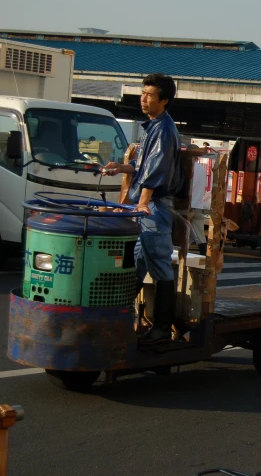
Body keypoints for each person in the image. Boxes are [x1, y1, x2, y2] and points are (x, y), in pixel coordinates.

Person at [104, 73, 182, 346]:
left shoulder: (163, 129)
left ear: (164, 100)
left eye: (150, 95)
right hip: (147, 207)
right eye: (143, 93)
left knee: (160, 266)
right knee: (136, 264)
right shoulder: (153, 126)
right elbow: (141, 168)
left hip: (153, 208)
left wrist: (141, 203)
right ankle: (119, 320)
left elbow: (155, 171)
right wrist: (120, 167)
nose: (144, 98)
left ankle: (161, 329)